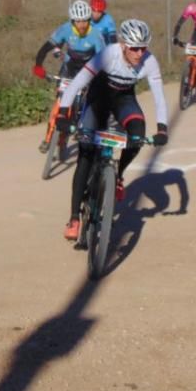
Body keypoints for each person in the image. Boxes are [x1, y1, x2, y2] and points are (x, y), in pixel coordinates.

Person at [54, 19, 169, 241]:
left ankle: (118, 176)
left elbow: (159, 97)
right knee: (86, 154)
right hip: (98, 98)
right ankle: (74, 218)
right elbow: (78, 82)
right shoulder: (108, 55)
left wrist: (162, 128)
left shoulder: (150, 62)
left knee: (137, 134)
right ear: (123, 44)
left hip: (123, 100)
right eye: (134, 48)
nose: (139, 53)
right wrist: (62, 114)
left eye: (143, 48)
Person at [32, 0, 107, 153]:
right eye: (78, 21)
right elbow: (46, 48)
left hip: (88, 69)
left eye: (85, 21)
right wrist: (38, 65)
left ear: (89, 20)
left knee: (85, 100)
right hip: (69, 68)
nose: (81, 25)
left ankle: (80, 123)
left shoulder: (95, 35)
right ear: (72, 20)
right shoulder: (65, 30)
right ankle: (48, 139)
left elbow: (103, 59)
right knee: (60, 101)